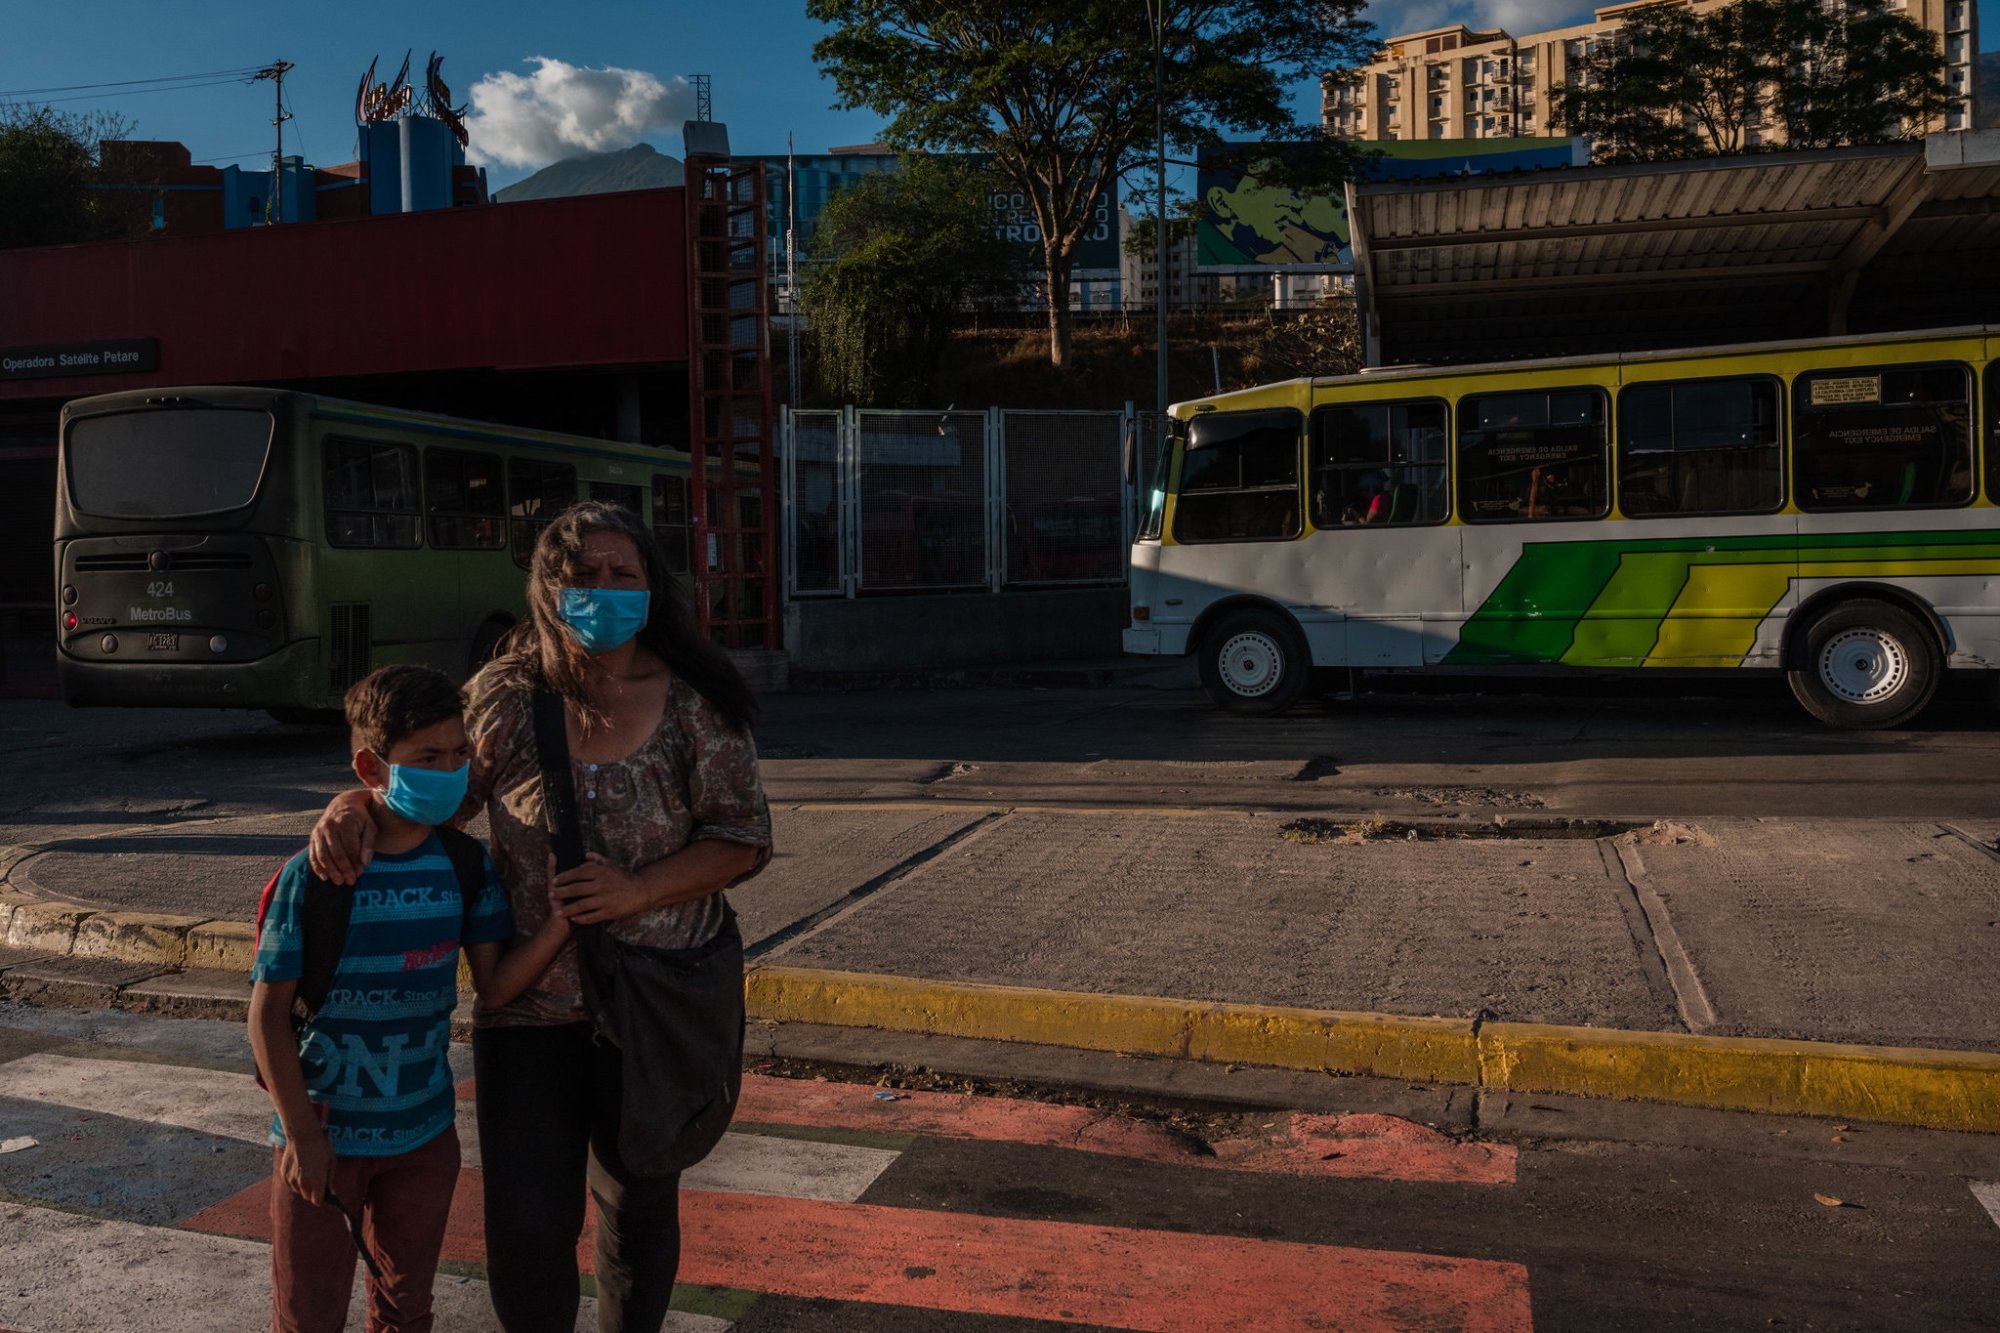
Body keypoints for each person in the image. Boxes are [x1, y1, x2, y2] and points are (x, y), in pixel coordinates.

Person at [309, 500, 772, 1333]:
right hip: (527, 1006)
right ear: (547, 591)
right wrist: (353, 800)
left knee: (636, 1214)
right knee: (526, 1229)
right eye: (581, 576)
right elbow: (432, 791)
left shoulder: (698, 702)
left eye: (621, 574)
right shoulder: (506, 697)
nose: (603, 589)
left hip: (656, 1005)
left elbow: (742, 839)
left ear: (650, 585)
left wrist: (639, 888)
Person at [250, 663, 573, 1333]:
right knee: (307, 1313)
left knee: (407, 1310)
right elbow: (267, 1016)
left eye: (459, 753)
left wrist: (559, 926)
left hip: (424, 1138)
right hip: (323, 1143)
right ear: (372, 764)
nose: (450, 770)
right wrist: (304, 1136)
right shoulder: (314, 876)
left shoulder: (465, 865)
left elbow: (495, 985)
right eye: (427, 757)